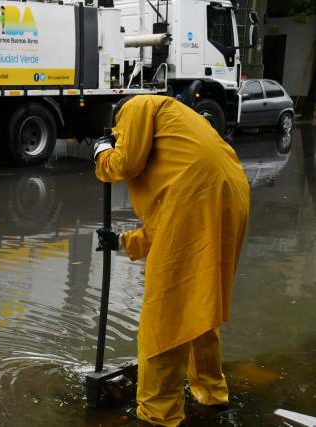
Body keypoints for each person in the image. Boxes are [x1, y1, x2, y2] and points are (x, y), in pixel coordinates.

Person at [93, 95, 250, 426]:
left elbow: (125, 164)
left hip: (197, 199)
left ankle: (158, 414)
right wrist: (120, 242)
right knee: (200, 301)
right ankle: (210, 395)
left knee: (168, 313)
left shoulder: (137, 107)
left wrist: (103, 152)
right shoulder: (180, 133)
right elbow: (163, 227)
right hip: (228, 193)